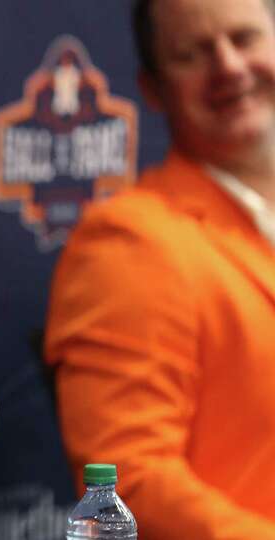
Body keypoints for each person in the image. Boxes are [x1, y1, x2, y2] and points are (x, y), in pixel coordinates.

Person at [45, 0, 275, 538]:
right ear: (152, 87)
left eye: (243, 39)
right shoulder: (128, 243)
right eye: (192, 53)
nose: (230, 68)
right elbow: (131, 480)